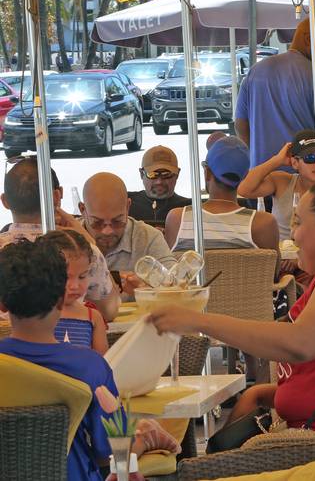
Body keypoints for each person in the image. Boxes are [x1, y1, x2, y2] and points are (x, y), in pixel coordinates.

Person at [149, 174, 315, 435]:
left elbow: (299, 343)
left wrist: (198, 320)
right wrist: (263, 393)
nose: (293, 235)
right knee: (250, 402)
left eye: (298, 223)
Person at [0, 239, 180, 481]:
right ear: (59, 298)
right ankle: (147, 438)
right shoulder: (90, 367)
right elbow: (109, 451)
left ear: (2, 304)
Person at [0, 158, 121, 322]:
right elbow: (109, 310)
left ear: (5, 201)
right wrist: (89, 242)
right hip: (66, 342)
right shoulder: (82, 251)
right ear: (57, 196)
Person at [234, 19, 315, 174]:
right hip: (304, 180)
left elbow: (241, 125)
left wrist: (258, 158)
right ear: (308, 39)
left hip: (262, 178)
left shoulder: (255, 72)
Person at [165, 137, 279, 252]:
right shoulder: (263, 224)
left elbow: (170, 267)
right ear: (244, 176)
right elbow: (274, 268)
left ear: (207, 173)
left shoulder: (177, 219)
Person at [238, 130, 315, 242]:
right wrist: (277, 160)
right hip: (283, 256)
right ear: (295, 163)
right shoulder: (283, 182)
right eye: (310, 158)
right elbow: (243, 189)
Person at [80, 172, 171, 276]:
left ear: (127, 207)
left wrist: (144, 287)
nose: (107, 231)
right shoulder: (65, 240)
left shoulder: (149, 238)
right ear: (83, 210)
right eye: (97, 222)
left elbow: (176, 285)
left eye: (117, 221)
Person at [41, 229, 108, 354]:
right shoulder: (34, 316)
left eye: (82, 276)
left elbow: (102, 364)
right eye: (65, 278)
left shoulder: (93, 317)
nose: (75, 286)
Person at [127, 146, 191, 225]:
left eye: (166, 174)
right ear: (141, 174)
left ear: (177, 174)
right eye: (152, 174)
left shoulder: (189, 208)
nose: (159, 182)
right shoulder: (126, 203)